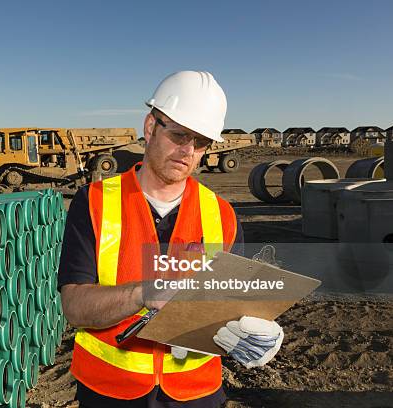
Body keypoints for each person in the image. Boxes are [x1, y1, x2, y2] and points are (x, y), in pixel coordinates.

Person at [58, 71, 283, 408]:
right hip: (110, 391)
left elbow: (235, 304)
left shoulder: (222, 215)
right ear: (150, 127)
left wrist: (259, 333)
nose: (188, 151)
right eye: (179, 135)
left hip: (197, 394)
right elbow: (75, 307)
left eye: (201, 141)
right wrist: (145, 292)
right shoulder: (93, 202)